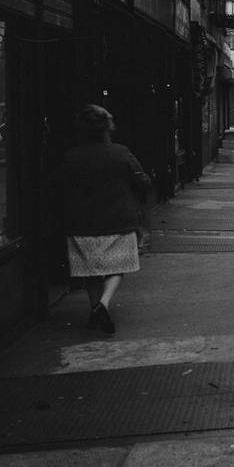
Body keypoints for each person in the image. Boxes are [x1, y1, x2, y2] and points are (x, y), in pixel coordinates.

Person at [60, 103, 152, 336]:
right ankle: (104, 304)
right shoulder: (120, 153)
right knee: (117, 267)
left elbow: (59, 189)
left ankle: (94, 309)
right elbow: (142, 183)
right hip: (118, 221)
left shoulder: (70, 157)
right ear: (108, 128)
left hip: (81, 224)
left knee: (90, 270)